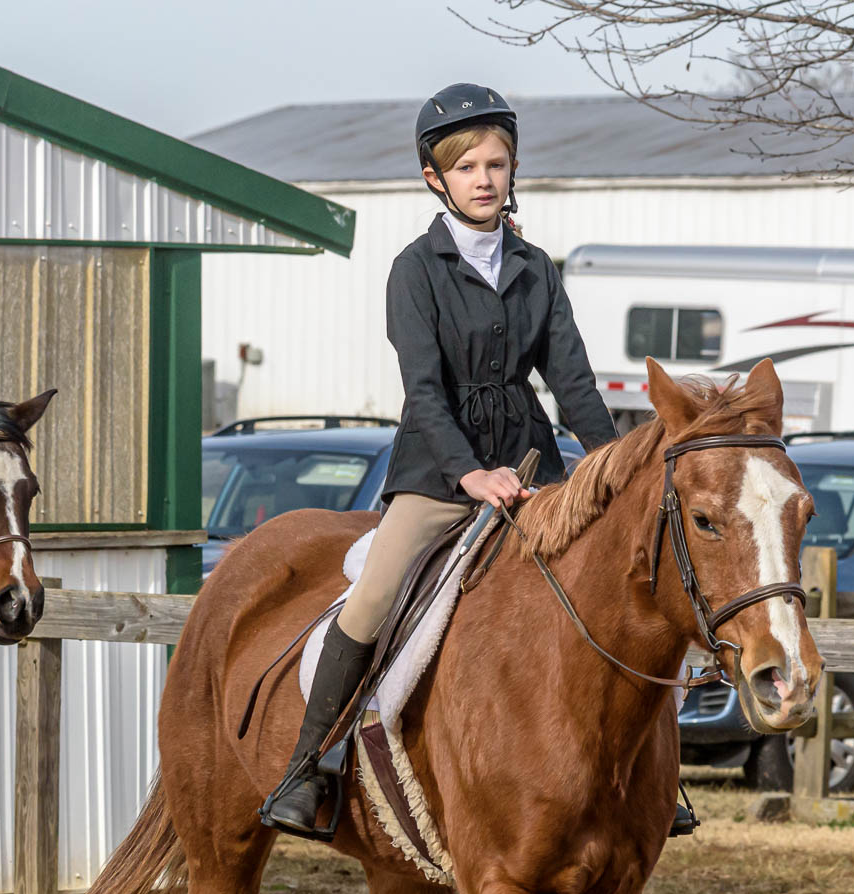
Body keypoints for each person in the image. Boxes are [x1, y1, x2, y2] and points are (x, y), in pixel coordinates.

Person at [259, 83, 698, 835]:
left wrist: (617, 468)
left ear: (513, 168)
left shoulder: (536, 268)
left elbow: (573, 384)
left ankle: (660, 778)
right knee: (373, 596)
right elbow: (424, 392)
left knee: (627, 586)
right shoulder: (414, 269)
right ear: (436, 178)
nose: (484, 179)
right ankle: (309, 767)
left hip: (533, 472)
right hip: (438, 474)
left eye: (496, 164)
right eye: (466, 168)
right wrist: (469, 472)